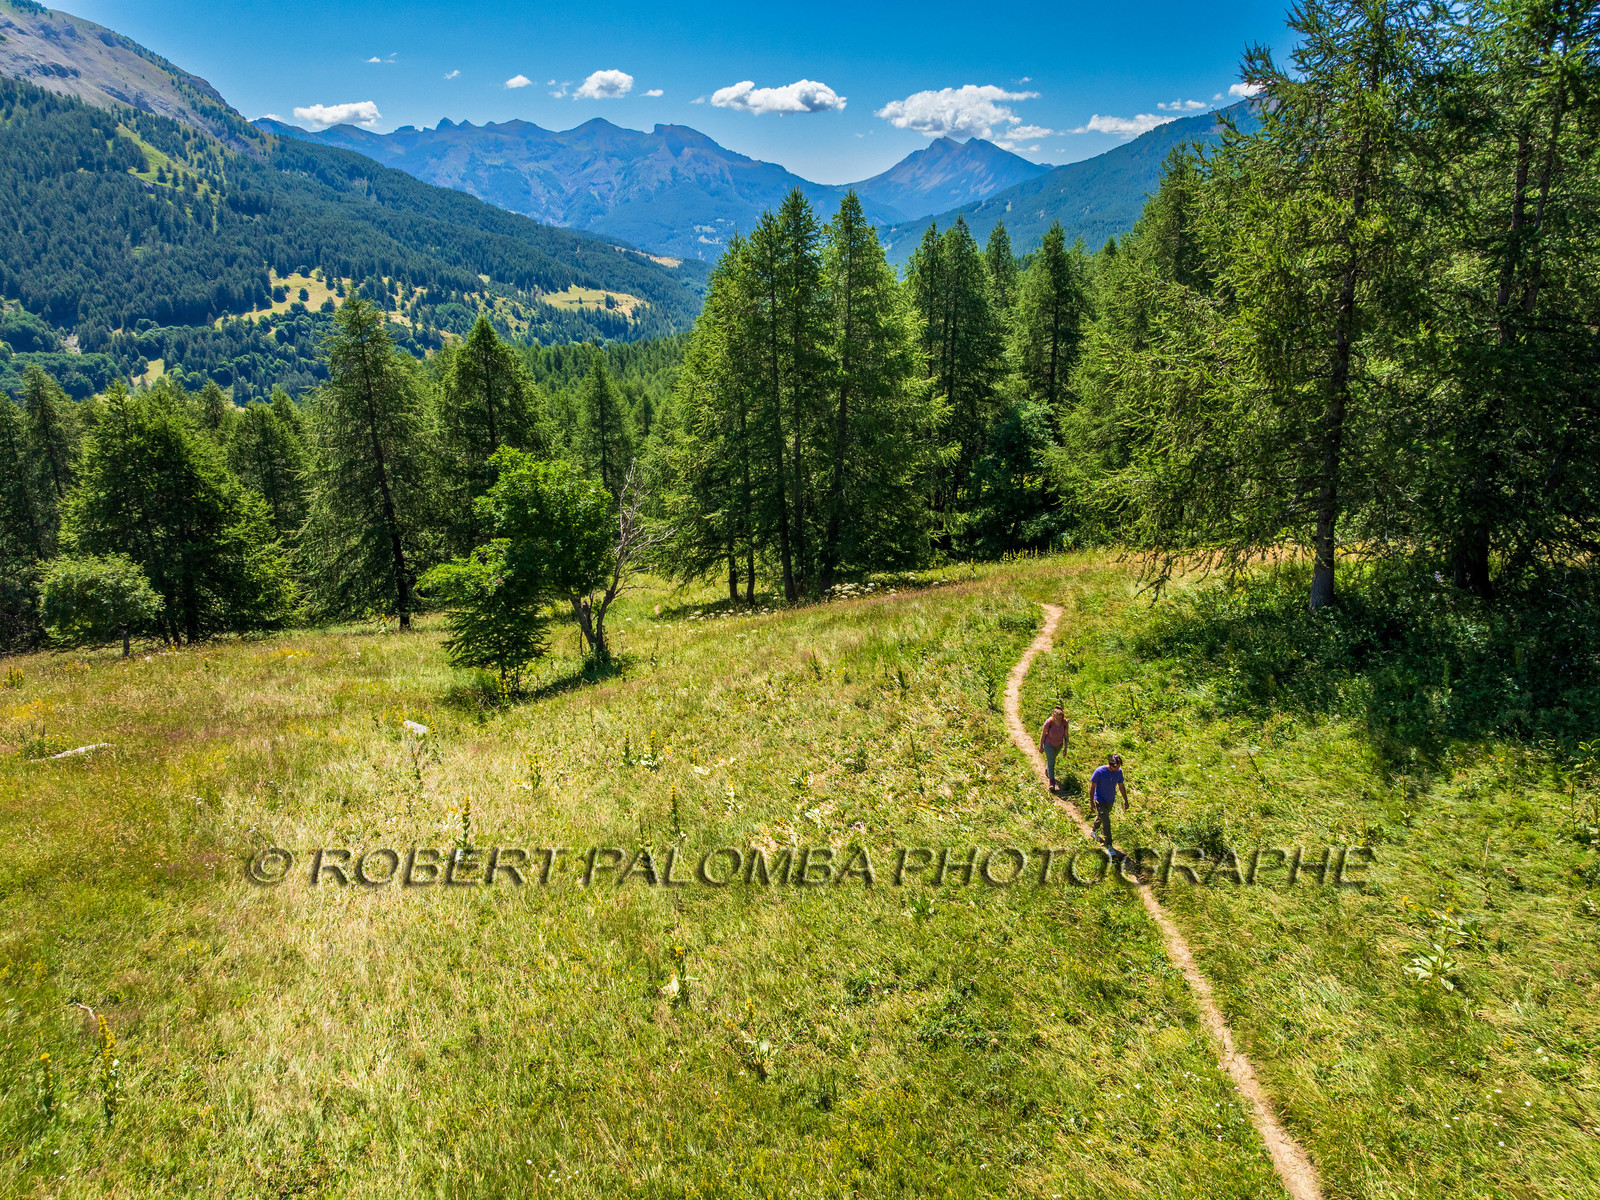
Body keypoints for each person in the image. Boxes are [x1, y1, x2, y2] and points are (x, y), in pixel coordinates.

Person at [1089, 753, 1129, 856]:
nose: (1117, 769)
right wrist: (1091, 802)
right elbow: (1092, 787)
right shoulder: (1099, 772)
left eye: (1118, 767)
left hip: (1110, 800)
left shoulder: (1119, 772)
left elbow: (1121, 786)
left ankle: (1093, 829)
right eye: (1115, 767)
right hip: (1100, 800)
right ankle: (1109, 845)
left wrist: (1126, 800)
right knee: (1106, 821)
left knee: (1102, 816)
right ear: (1110, 764)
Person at [1038, 705, 1069, 791]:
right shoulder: (1049, 722)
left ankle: (1047, 769)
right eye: (1056, 718)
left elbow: (1066, 736)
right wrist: (1041, 746)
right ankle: (1052, 782)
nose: (1058, 720)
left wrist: (1065, 748)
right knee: (1052, 762)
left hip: (1058, 745)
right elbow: (1043, 734)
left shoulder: (1064, 723)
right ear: (1053, 715)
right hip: (1048, 744)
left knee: (1052, 759)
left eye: (1060, 718)